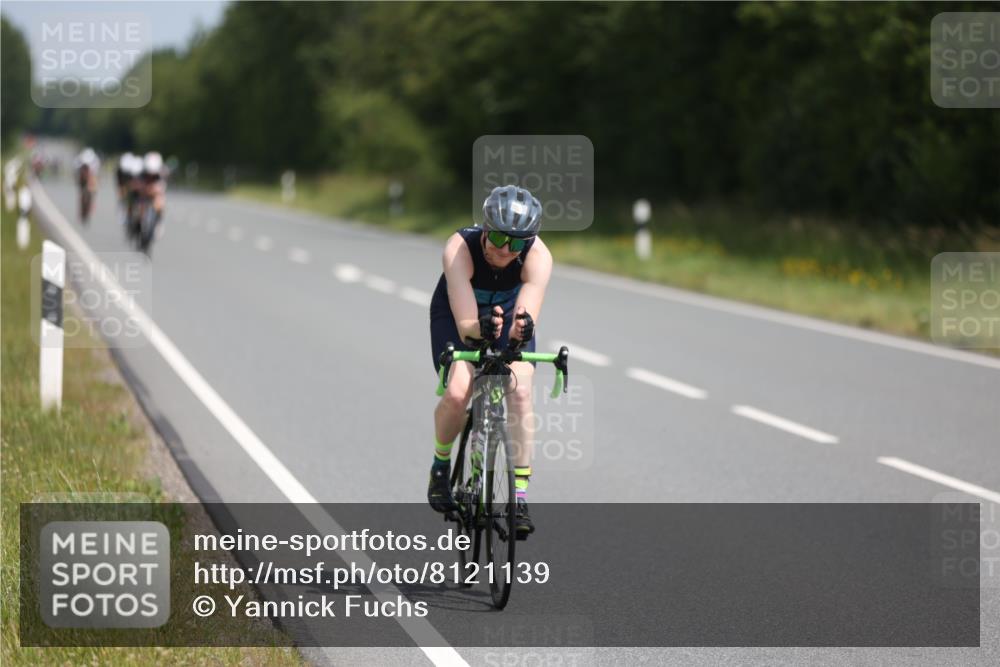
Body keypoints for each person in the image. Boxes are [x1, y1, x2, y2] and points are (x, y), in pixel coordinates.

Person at [427, 184, 553, 539]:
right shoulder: (459, 248)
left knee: (521, 393)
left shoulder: (538, 256)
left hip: (506, 314)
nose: (505, 249)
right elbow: (468, 327)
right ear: (485, 229)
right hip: (458, 315)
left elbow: (522, 324)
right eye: (498, 238)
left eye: (517, 243)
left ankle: (519, 498)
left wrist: (520, 331)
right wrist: (479, 329)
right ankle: (440, 468)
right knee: (458, 392)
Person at [73, 148, 100, 223]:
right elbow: (77, 176)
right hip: (81, 178)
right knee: (82, 193)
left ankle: (89, 206)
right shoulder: (78, 162)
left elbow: (94, 180)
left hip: (91, 176)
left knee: (91, 191)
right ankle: (81, 209)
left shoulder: (95, 163)